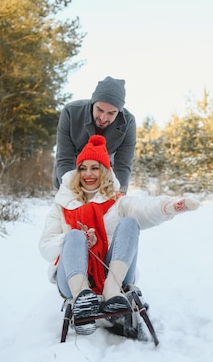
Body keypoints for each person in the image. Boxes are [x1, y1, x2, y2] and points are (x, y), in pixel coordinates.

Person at [39, 135, 200, 336]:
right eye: (83, 168)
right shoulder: (62, 205)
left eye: (95, 168)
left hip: (114, 276)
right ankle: (83, 300)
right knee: (73, 236)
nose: (88, 174)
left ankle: (112, 291)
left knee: (130, 223)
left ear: (105, 171)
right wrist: (75, 239)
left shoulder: (117, 202)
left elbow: (143, 208)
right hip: (70, 280)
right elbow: (45, 247)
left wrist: (168, 207)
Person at [53, 76, 136, 193]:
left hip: (103, 183)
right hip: (69, 176)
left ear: (119, 112)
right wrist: (71, 191)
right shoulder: (70, 112)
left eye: (111, 113)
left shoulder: (128, 123)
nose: (103, 118)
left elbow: (123, 165)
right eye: (99, 110)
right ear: (93, 103)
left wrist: (119, 193)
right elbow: (64, 158)